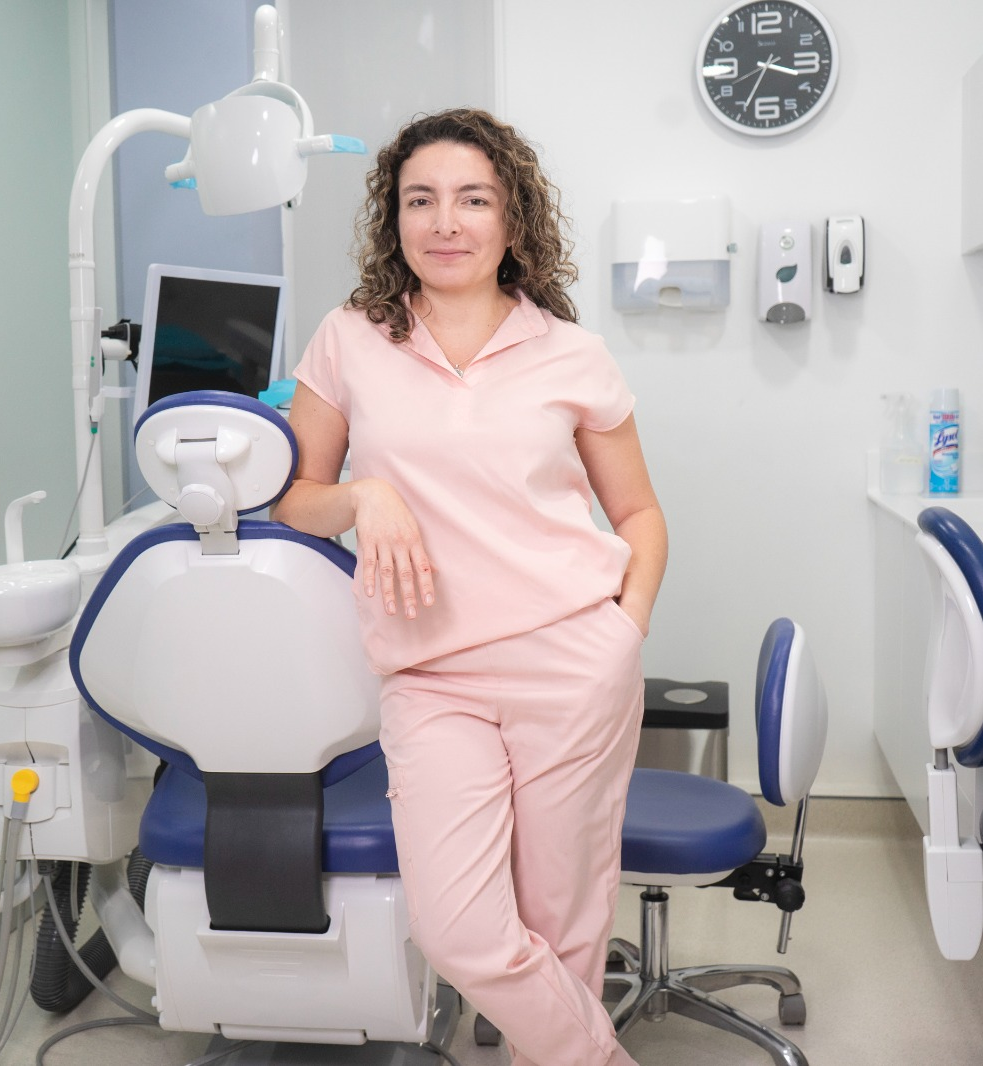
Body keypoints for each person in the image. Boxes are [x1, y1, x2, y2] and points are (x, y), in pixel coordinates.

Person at [271, 108, 666, 1066]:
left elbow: (642, 519)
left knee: (563, 928)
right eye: (421, 200)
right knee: (459, 931)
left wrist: (624, 634)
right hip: (431, 675)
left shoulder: (570, 353)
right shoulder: (350, 339)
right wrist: (366, 494)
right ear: (394, 220)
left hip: (573, 664)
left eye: (473, 199)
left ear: (512, 221)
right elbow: (292, 498)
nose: (446, 222)